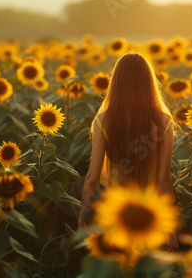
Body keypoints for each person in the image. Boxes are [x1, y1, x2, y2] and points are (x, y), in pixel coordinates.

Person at [77, 52, 179, 252]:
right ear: (149, 83)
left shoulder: (103, 120)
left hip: (116, 214)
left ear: (116, 82)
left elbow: (92, 178)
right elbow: (164, 180)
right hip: (150, 216)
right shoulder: (164, 122)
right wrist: (171, 230)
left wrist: (82, 220)